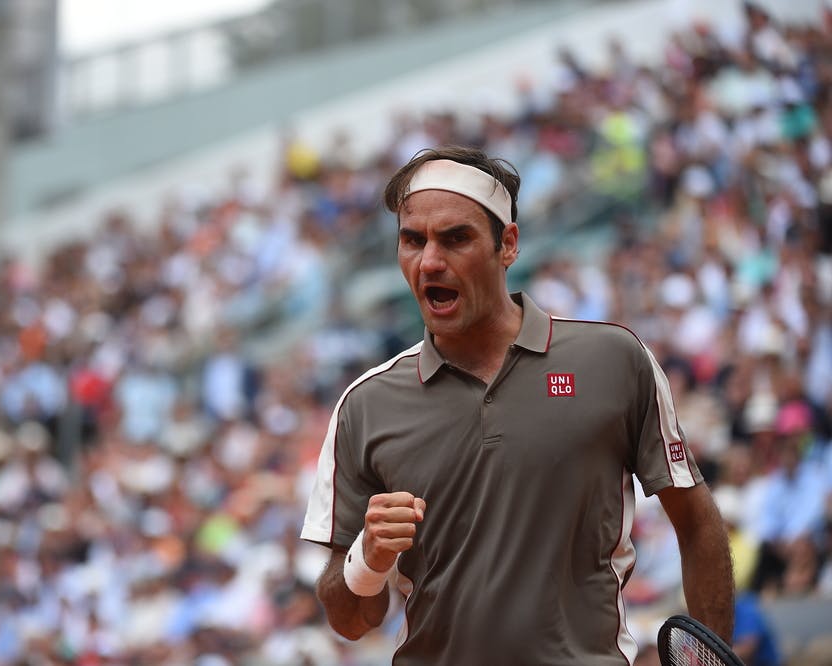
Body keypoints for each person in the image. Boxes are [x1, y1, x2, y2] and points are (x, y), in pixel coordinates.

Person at [300, 145, 734, 664]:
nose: (430, 261)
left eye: (455, 238)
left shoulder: (614, 359)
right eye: (412, 241)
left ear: (508, 245)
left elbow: (697, 523)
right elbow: (348, 620)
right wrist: (366, 561)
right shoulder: (364, 407)